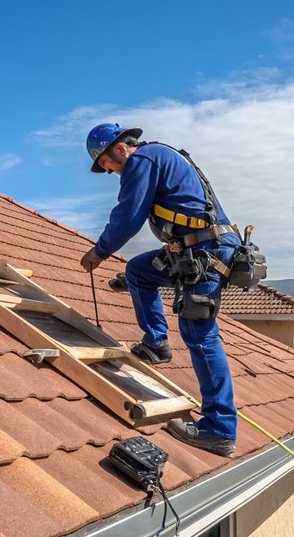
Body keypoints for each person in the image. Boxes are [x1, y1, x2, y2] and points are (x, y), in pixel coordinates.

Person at [79, 123, 239, 457]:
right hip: (192, 250)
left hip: (206, 255)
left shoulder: (142, 161)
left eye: (106, 164)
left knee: (198, 334)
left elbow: (128, 215)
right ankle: (156, 343)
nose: (108, 171)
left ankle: (219, 429)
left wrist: (99, 251)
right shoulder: (160, 156)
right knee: (138, 271)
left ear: (119, 149)